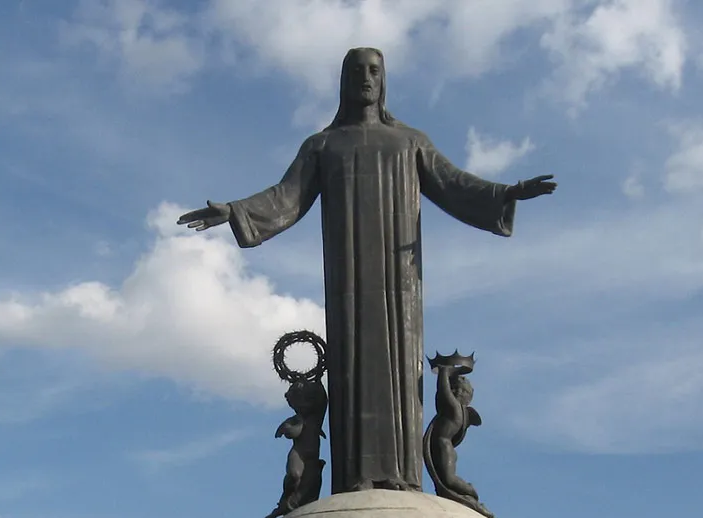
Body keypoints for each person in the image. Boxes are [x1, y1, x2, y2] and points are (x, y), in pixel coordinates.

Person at [177, 47, 556, 494]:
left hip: (400, 282)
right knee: (353, 363)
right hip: (347, 278)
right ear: (344, 80)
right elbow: (286, 197)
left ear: (384, 80)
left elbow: (454, 183)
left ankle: (401, 475)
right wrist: (235, 210)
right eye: (357, 71)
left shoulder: (409, 141)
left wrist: (506, 192)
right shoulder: (323, 145)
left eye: (374, 70)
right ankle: (355, 476)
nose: (366, 78)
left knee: (398, 366)